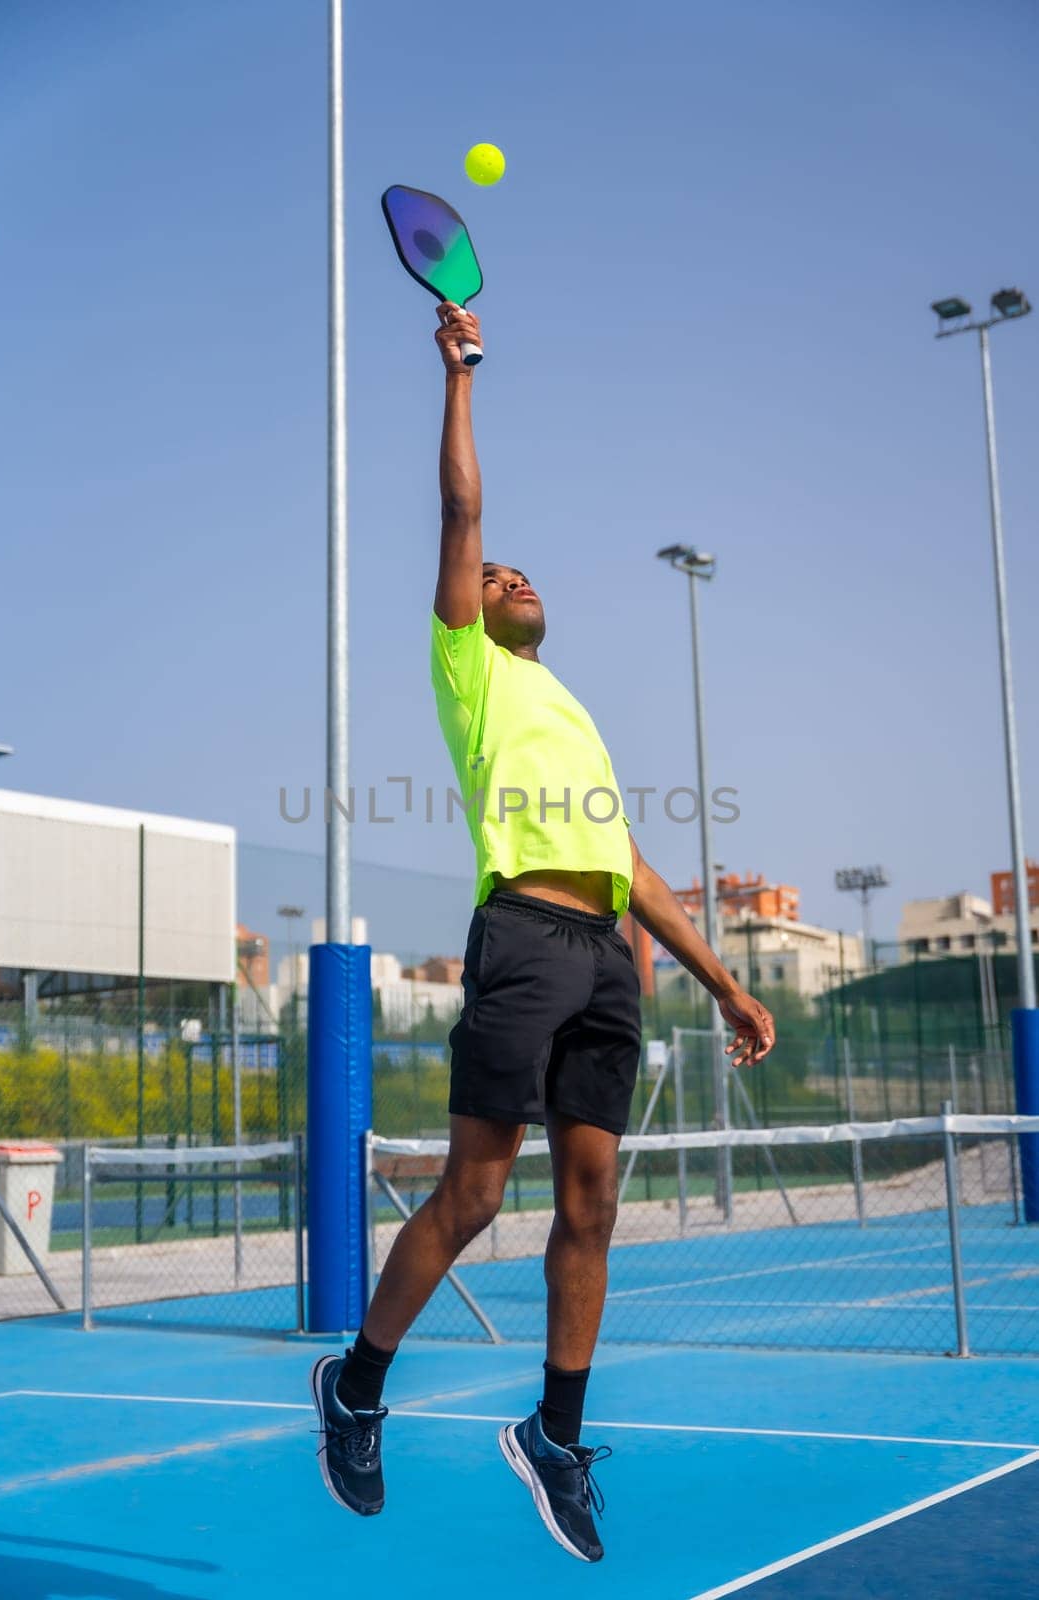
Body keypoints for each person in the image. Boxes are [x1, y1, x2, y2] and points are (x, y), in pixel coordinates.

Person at [310, 302, 775, 1563]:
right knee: (473, 1188)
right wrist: (459, 378)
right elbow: (461, 514)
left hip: (606, 959)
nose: (512, 576)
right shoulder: (469, 668)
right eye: (498, 572)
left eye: (523, 574)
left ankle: (553, 1436)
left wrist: (723, 980)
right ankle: (356, 1387)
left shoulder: (571, 710)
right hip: (518, 933)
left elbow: (628, 863)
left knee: (592, 1200)